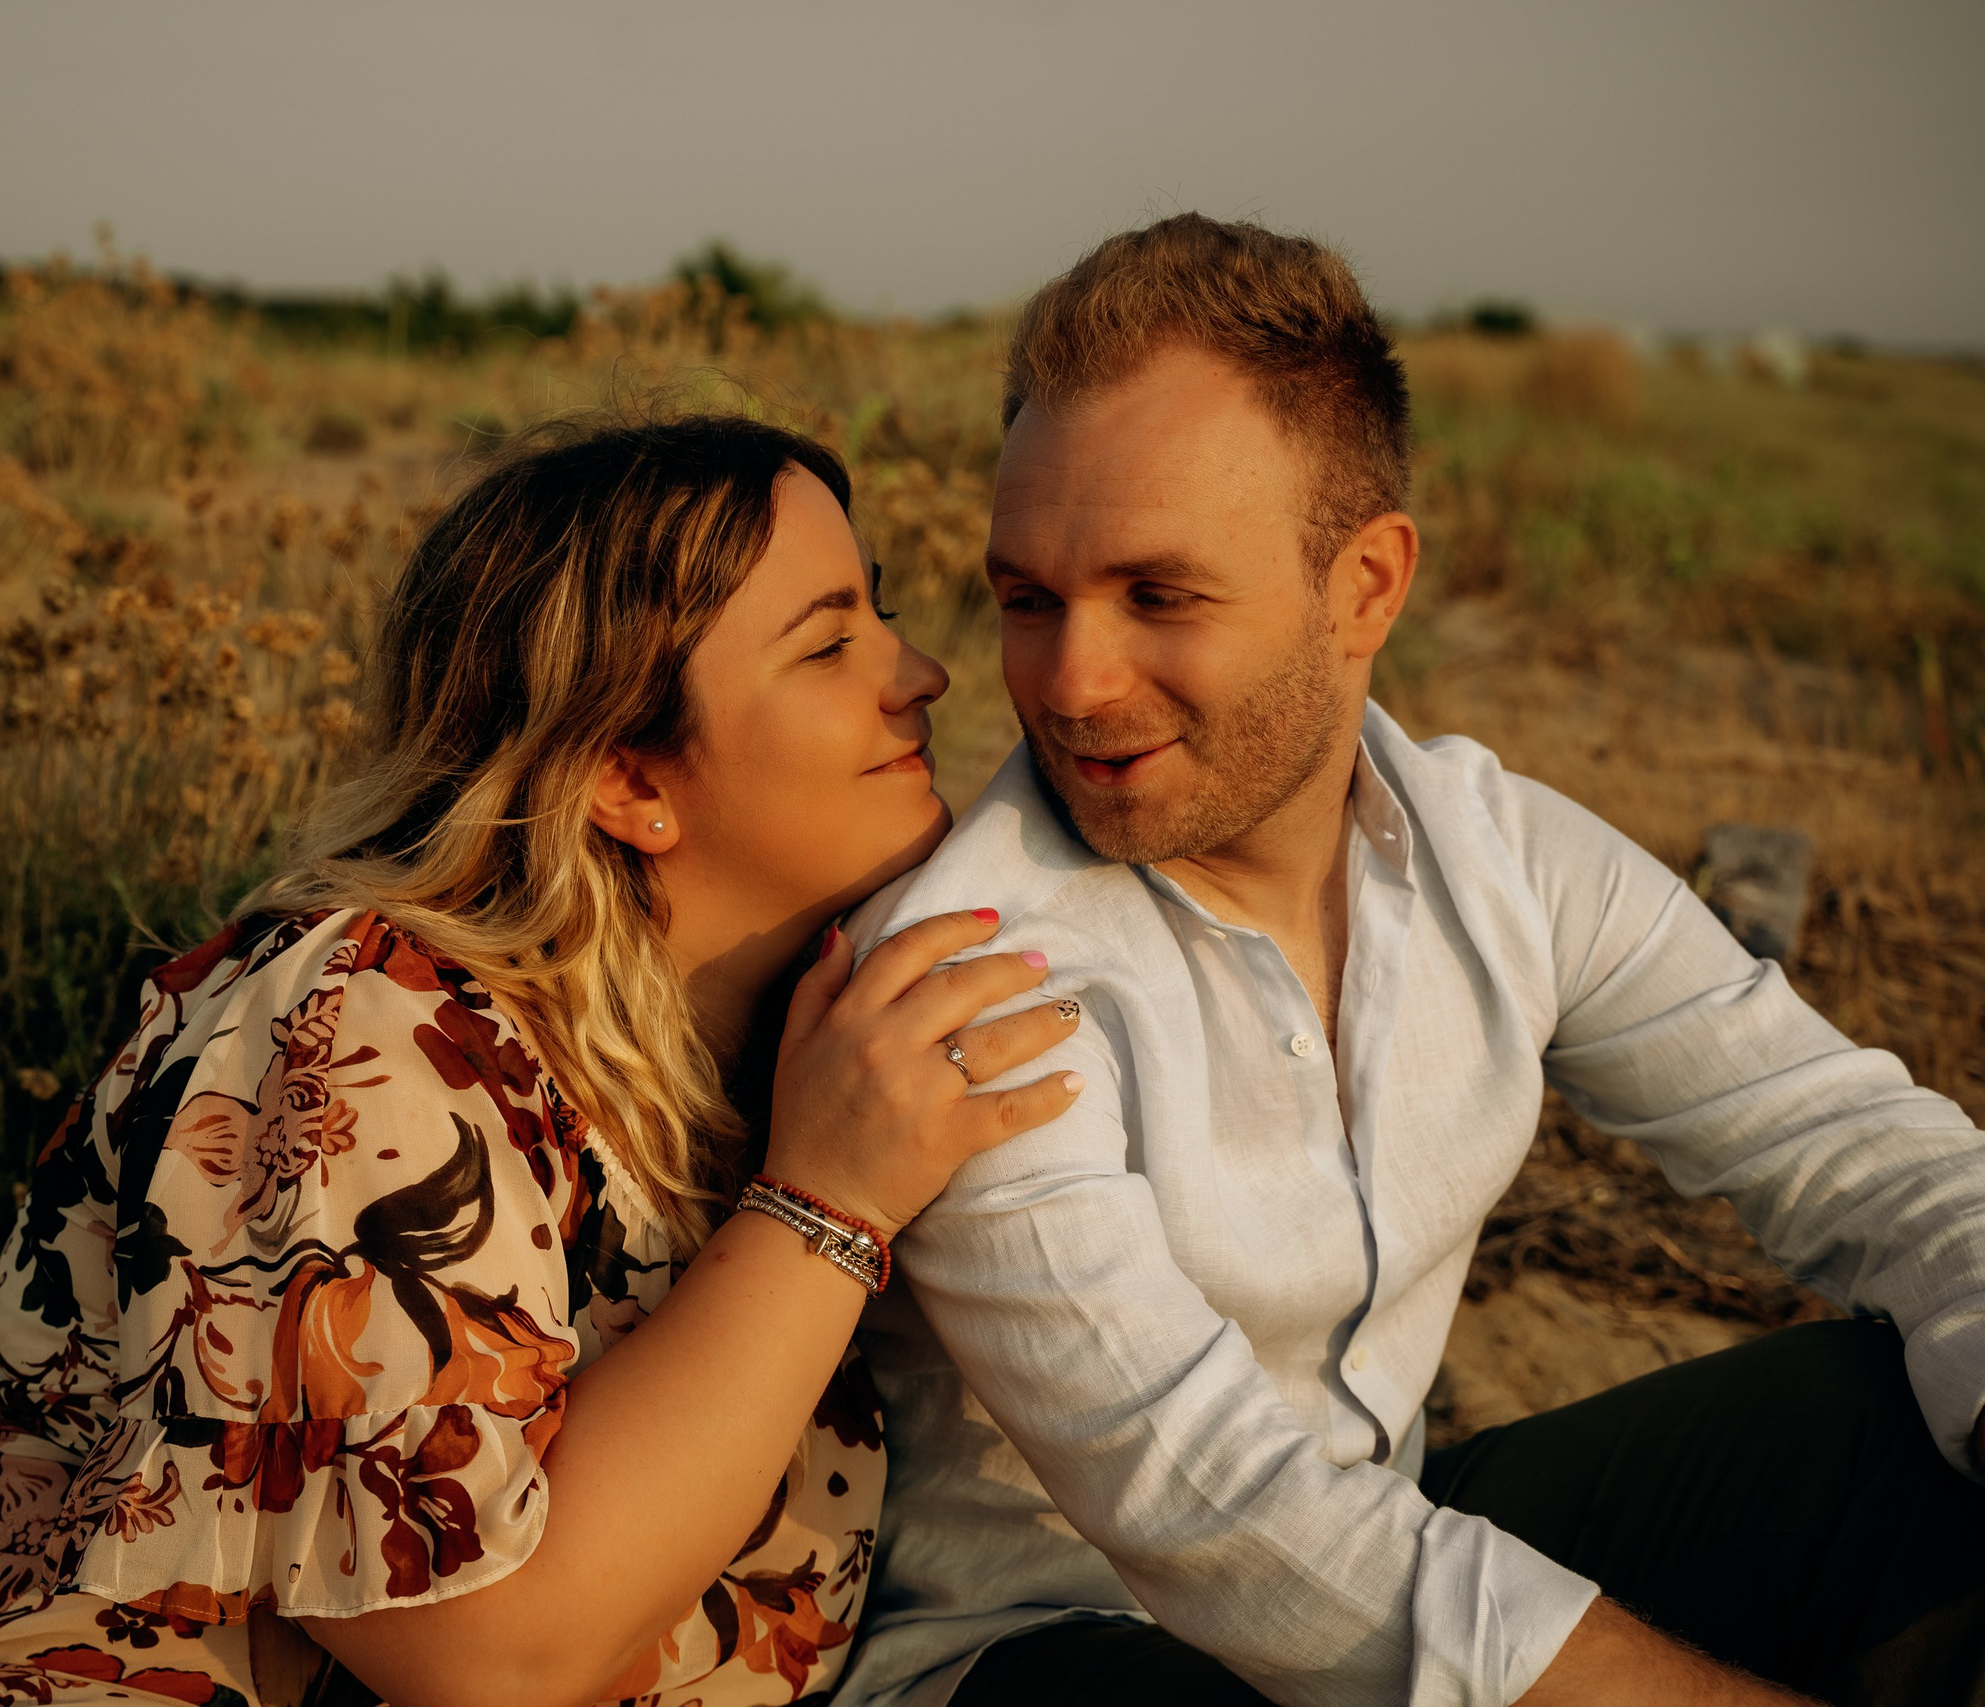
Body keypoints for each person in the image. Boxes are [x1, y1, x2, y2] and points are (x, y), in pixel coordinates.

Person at [0, 415, 1086, 1707]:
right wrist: (826, 1209)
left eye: (885, 615)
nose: (922, 672)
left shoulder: (761, 1054)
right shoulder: (348, 1027)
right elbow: (482, 1657)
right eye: (828, 644)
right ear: (629, 780)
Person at [838, 215, 1985, 1707]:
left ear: (1365, 586)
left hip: (1391, 1565)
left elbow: (1864, 1151)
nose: (1071, 682)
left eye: (1159, 595)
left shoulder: (1499, 856)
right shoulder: (965, 969)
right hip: (1057, 1656)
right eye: (1028, 597)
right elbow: (1204, 1500)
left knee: (1886, 1429)